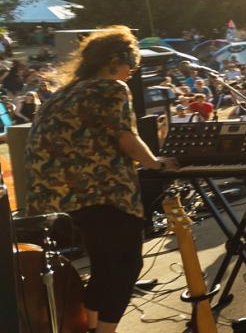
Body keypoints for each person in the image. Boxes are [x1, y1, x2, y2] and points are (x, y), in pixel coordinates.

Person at [25, 26, 179, 333]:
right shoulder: (109, 89)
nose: (132, 73)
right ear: (114, 61)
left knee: (103, 267)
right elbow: (125, 137)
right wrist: (155, 162)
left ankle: (92, 326)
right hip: (101, 194)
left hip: (57, 197)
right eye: (131, 64)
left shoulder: (63, 93)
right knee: (125, 266)